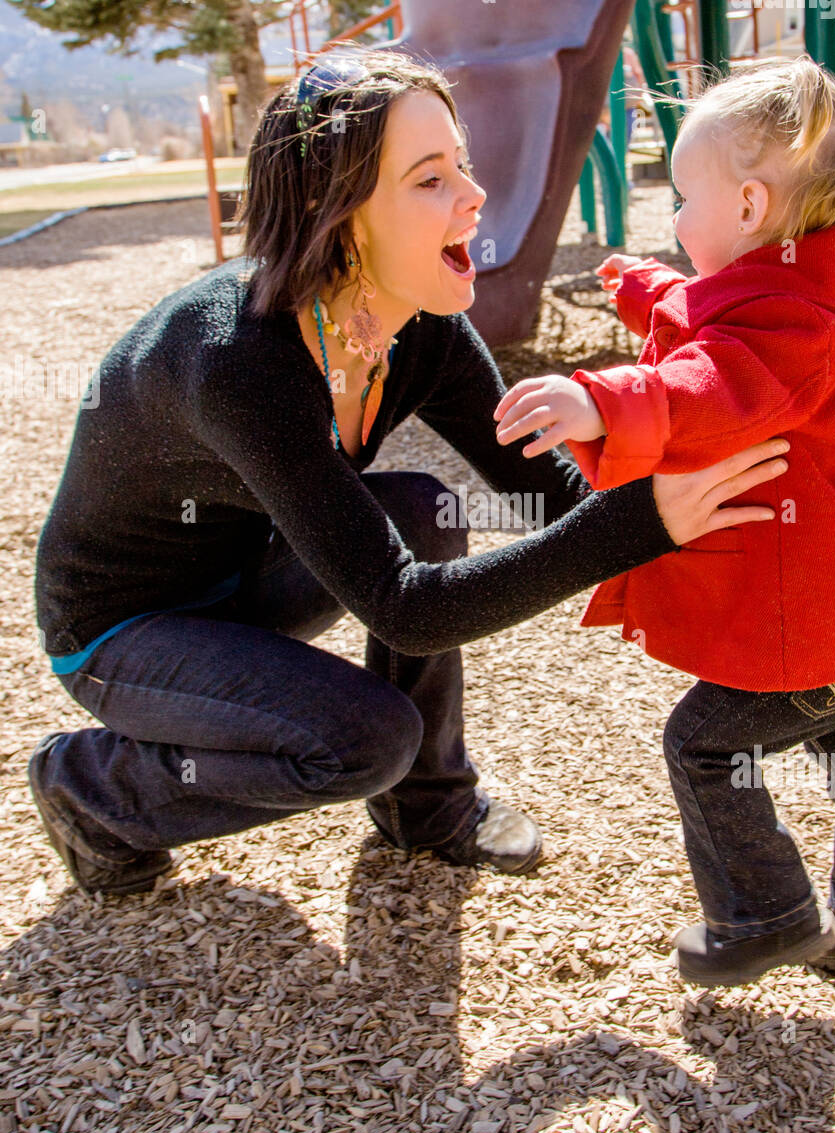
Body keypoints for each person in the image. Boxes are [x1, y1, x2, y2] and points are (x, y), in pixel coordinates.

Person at [31, 46, 790, 899]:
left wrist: (709, 511)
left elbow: (543, 491)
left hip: (253, 574)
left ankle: (428, 810)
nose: (473, 195)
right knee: (361, 741)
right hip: (125, 628)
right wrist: (639, 524)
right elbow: (408, 611)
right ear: (334, 206)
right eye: (430, 179)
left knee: (422, 506)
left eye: (461, 165)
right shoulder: (238, 359)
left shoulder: (420, 328)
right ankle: (90, 788)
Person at [494, 55, 835, 984]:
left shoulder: (790, 335)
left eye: (682, 202)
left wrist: (604, 403)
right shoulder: (790, 295)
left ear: (746, 208)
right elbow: (708, 316)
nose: (676, 220)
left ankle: (766, 914)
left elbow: (712, 382)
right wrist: (642, 287)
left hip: (812, 629)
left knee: (703, 745)